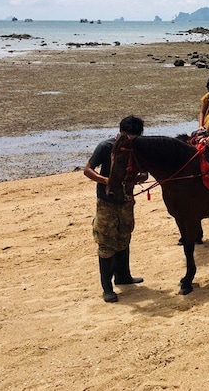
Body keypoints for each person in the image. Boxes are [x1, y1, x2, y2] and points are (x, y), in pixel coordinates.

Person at [84, 115, 146, 303]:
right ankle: (107, 287)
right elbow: (88, 170)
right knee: (106, 240)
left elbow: (144, 173)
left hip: (126, 200)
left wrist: (135, 179)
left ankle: (123, 276)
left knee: (124, 236)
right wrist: (107, 181)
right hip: (107, 201)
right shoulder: (105, 146)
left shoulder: (138, 149)